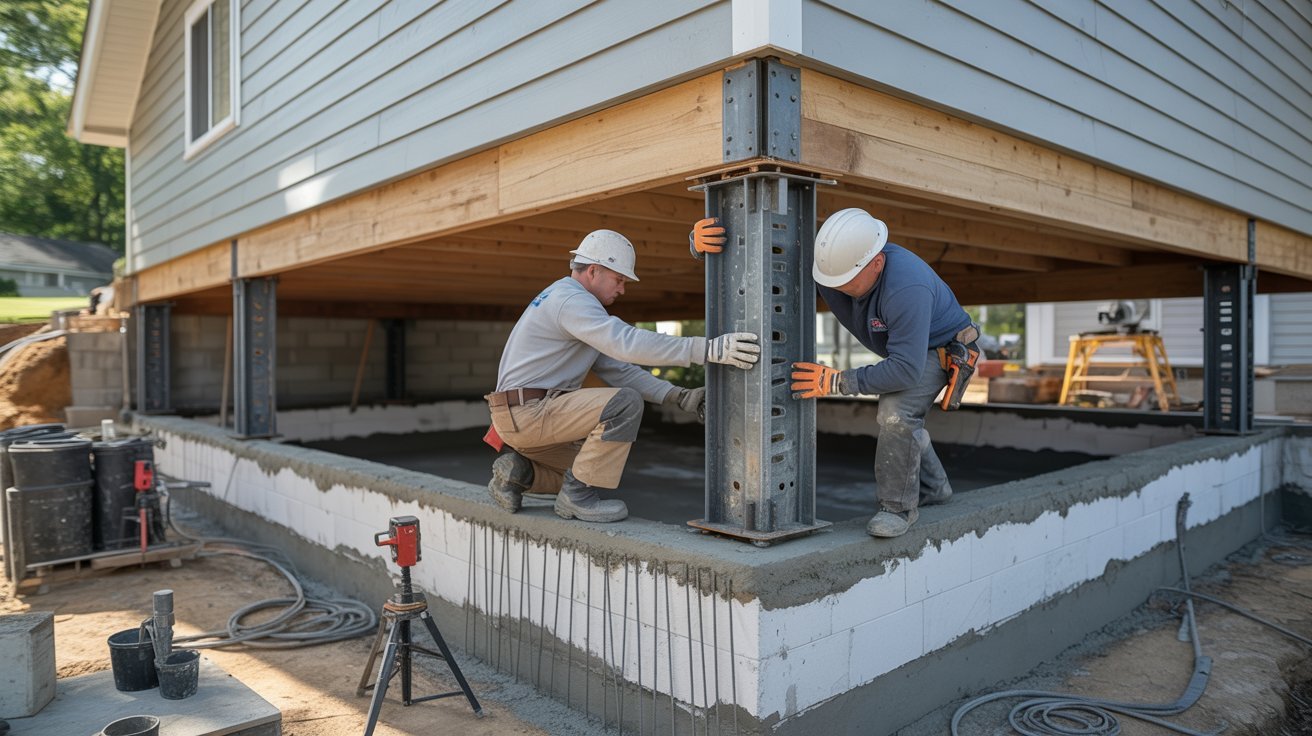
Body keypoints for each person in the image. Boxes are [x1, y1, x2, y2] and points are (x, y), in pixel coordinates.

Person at [485, 229, 761, 523]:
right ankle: (575, 500)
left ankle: (517, 472)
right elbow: (625, 343)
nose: (622, 289)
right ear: (593, 271)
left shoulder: (567, 301)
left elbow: (617, 368)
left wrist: (680, 396)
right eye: (619, 280)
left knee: (590, 469)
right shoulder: (572, 301)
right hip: (531, 413)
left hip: (519, 417)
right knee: (624, 405)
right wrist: (707, 349)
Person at [789, 208, 978, 538]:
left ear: (876, 261)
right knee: (906, 420)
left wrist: (837, 380)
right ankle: (936, 488)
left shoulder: (907, 287)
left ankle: (898, 508)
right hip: (908, 350)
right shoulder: (834, 265)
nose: (840, 287)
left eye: (849, 280)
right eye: (833, 281)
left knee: (896, 413)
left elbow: (905, 370)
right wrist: (700, 244)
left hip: (941, 349)